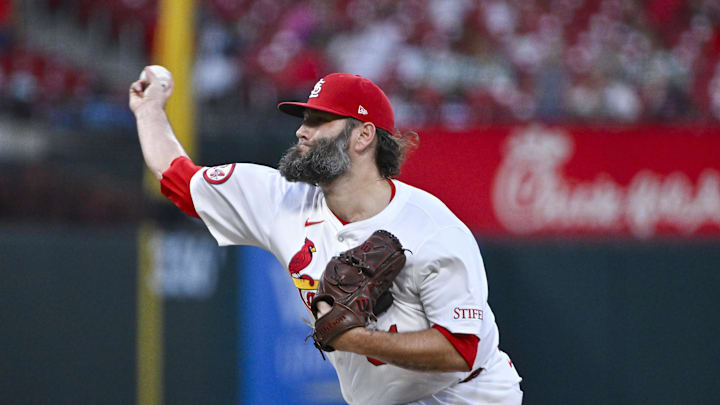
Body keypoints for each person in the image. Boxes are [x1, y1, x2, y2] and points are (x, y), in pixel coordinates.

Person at [130, 68, 523, 405]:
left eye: (319, 120)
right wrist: (148, 110)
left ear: (364, 135)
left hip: (470, 395)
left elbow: (459, 350)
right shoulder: (281, 200)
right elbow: (178, 179)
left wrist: (356, 339)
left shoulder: (434, 229)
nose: (302, 130)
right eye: (304, 119)